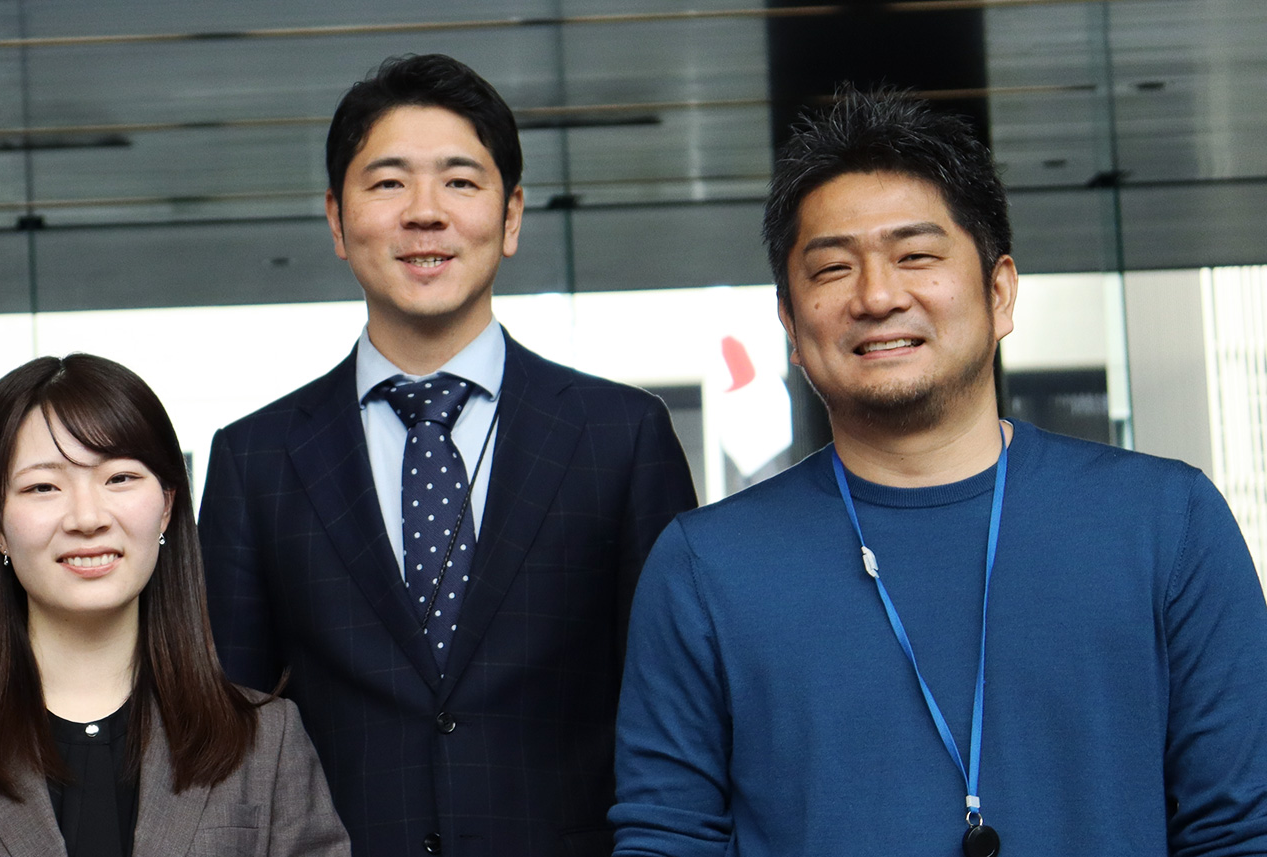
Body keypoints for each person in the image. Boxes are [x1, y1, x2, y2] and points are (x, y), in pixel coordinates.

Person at [611, 89, 1267, 856]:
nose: (877, 296)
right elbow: (668, 839)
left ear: (1000, 291)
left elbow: (1240, 829)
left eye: (916, 256)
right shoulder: (704, 568)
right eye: (832, 268)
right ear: (790, 322)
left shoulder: (1167, 522)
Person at [199, 54, 698, 857]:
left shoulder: (622, 437)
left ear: (511, 216)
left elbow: (678, 720)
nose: (425, 213)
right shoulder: (256, 459)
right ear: (336, 220)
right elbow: (228, 734)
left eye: (460, 182)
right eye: (388, 182)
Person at [0, 353, 350, 857]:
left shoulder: (266, 741)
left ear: (166, 506)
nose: (87, 518)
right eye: (43, 487)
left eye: (119, 478)